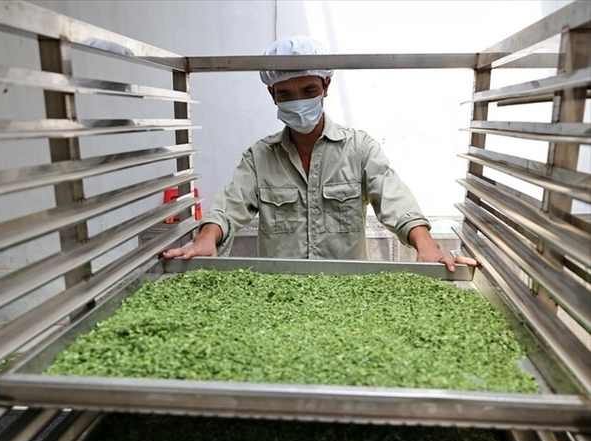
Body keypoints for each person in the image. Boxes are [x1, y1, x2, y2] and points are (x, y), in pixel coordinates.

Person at [161, 36, 477, 272]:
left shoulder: (359, 148)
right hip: (279, 294)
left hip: (349, 294)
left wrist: (426, 244)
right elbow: (229, 207)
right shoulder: (259, 157)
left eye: (308, 90)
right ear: (272, 94)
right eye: (286, 94)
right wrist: (206, 237)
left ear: (325, 85)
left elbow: (395, 199)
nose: (298, 101)